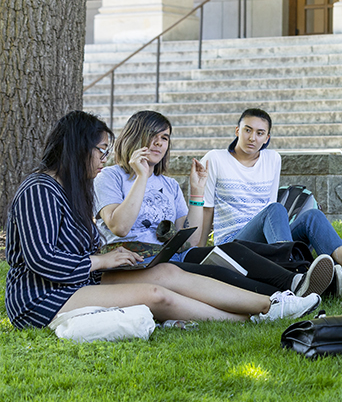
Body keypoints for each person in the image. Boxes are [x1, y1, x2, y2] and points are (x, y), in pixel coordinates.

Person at [4, 110, 320, 330]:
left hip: (77, 280)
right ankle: (254, 318)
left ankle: (273, 302)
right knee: (156, 295)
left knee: (166, 271)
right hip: (41, 297)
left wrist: (116, 259)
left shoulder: (74, 189)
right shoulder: (40, 189)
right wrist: (102, 261)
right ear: (77, 149)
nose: (103, 157)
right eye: (100, 150)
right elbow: (43, 262)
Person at [94, 110, 335, 298]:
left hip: (170, 257)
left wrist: (197, 192)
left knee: (232, 251)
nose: (159, 143)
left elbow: (188, 241)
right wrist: (142, 176)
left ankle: (297, 281)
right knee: (219, 273)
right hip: (135, 261)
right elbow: (120, 227)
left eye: (164, 138)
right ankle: (288, 293)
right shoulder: (110, 176)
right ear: (135, 136)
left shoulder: (169, 185)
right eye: (152, 136)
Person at [198, 108, 342, 280]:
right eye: (248, 130)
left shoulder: (272, 159)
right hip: (234, 243)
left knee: (313, 216)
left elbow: (269, 205)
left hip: (266, 240)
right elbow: (207, 209)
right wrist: (199, 251)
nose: (252, 137)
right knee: (275, 209)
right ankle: (292, 272)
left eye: (260, 133)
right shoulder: (215, 159)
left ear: (267, 138)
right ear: (237, 131)